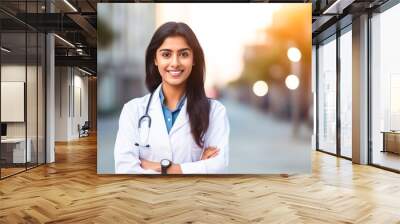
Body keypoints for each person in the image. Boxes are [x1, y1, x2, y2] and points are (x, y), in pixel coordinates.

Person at [114, 22, 230, 174]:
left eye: (184, 54)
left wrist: (154, 166)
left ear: (194, 59)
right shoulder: (133, 110)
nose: (175, 63)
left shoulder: (214, 111)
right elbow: (125, 169)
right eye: (166, 54)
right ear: (155, 59)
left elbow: (218, 167)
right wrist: (196, 167)